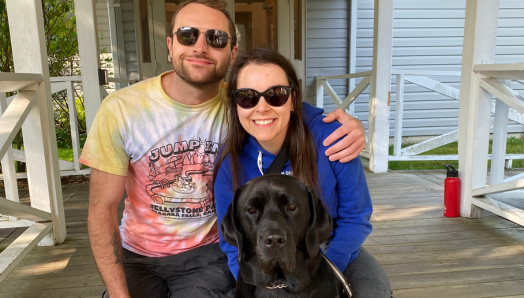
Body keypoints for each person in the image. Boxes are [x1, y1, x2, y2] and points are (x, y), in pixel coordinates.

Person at [79, 1, 366, 297]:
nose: (200, 47)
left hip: (206, 254)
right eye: (187, 35)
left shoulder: (241, 104)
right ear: (170, 45)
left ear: (232, 53)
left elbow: (281, 110)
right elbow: (101, 211)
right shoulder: (121, 110)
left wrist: (348, 125)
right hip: (137, 255)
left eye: (216, 38)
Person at [214, 48, 392, 298]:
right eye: (247, 96)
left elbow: (356, 217)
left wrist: (328, 272)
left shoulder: (333, 140)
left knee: (373, 292)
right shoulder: (229, 163)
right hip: (261, 252)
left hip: (330, 246)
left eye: (276, 94)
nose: (262, 107)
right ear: (235, 104)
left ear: (293, 98)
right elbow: (233, 245)